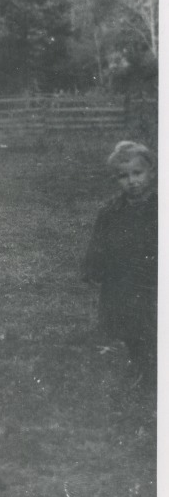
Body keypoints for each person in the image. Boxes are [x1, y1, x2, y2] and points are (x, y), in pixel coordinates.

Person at [82, 140, 157, 388]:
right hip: (121, 280)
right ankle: (135, 362)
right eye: (123, 176)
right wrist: (93, 266)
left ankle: (150, 367)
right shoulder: (111, 211)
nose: (132, 181)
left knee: (151, 323)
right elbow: (99, 242)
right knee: (124, 323)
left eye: (138, 173)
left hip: (152, 279)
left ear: (152, 172)